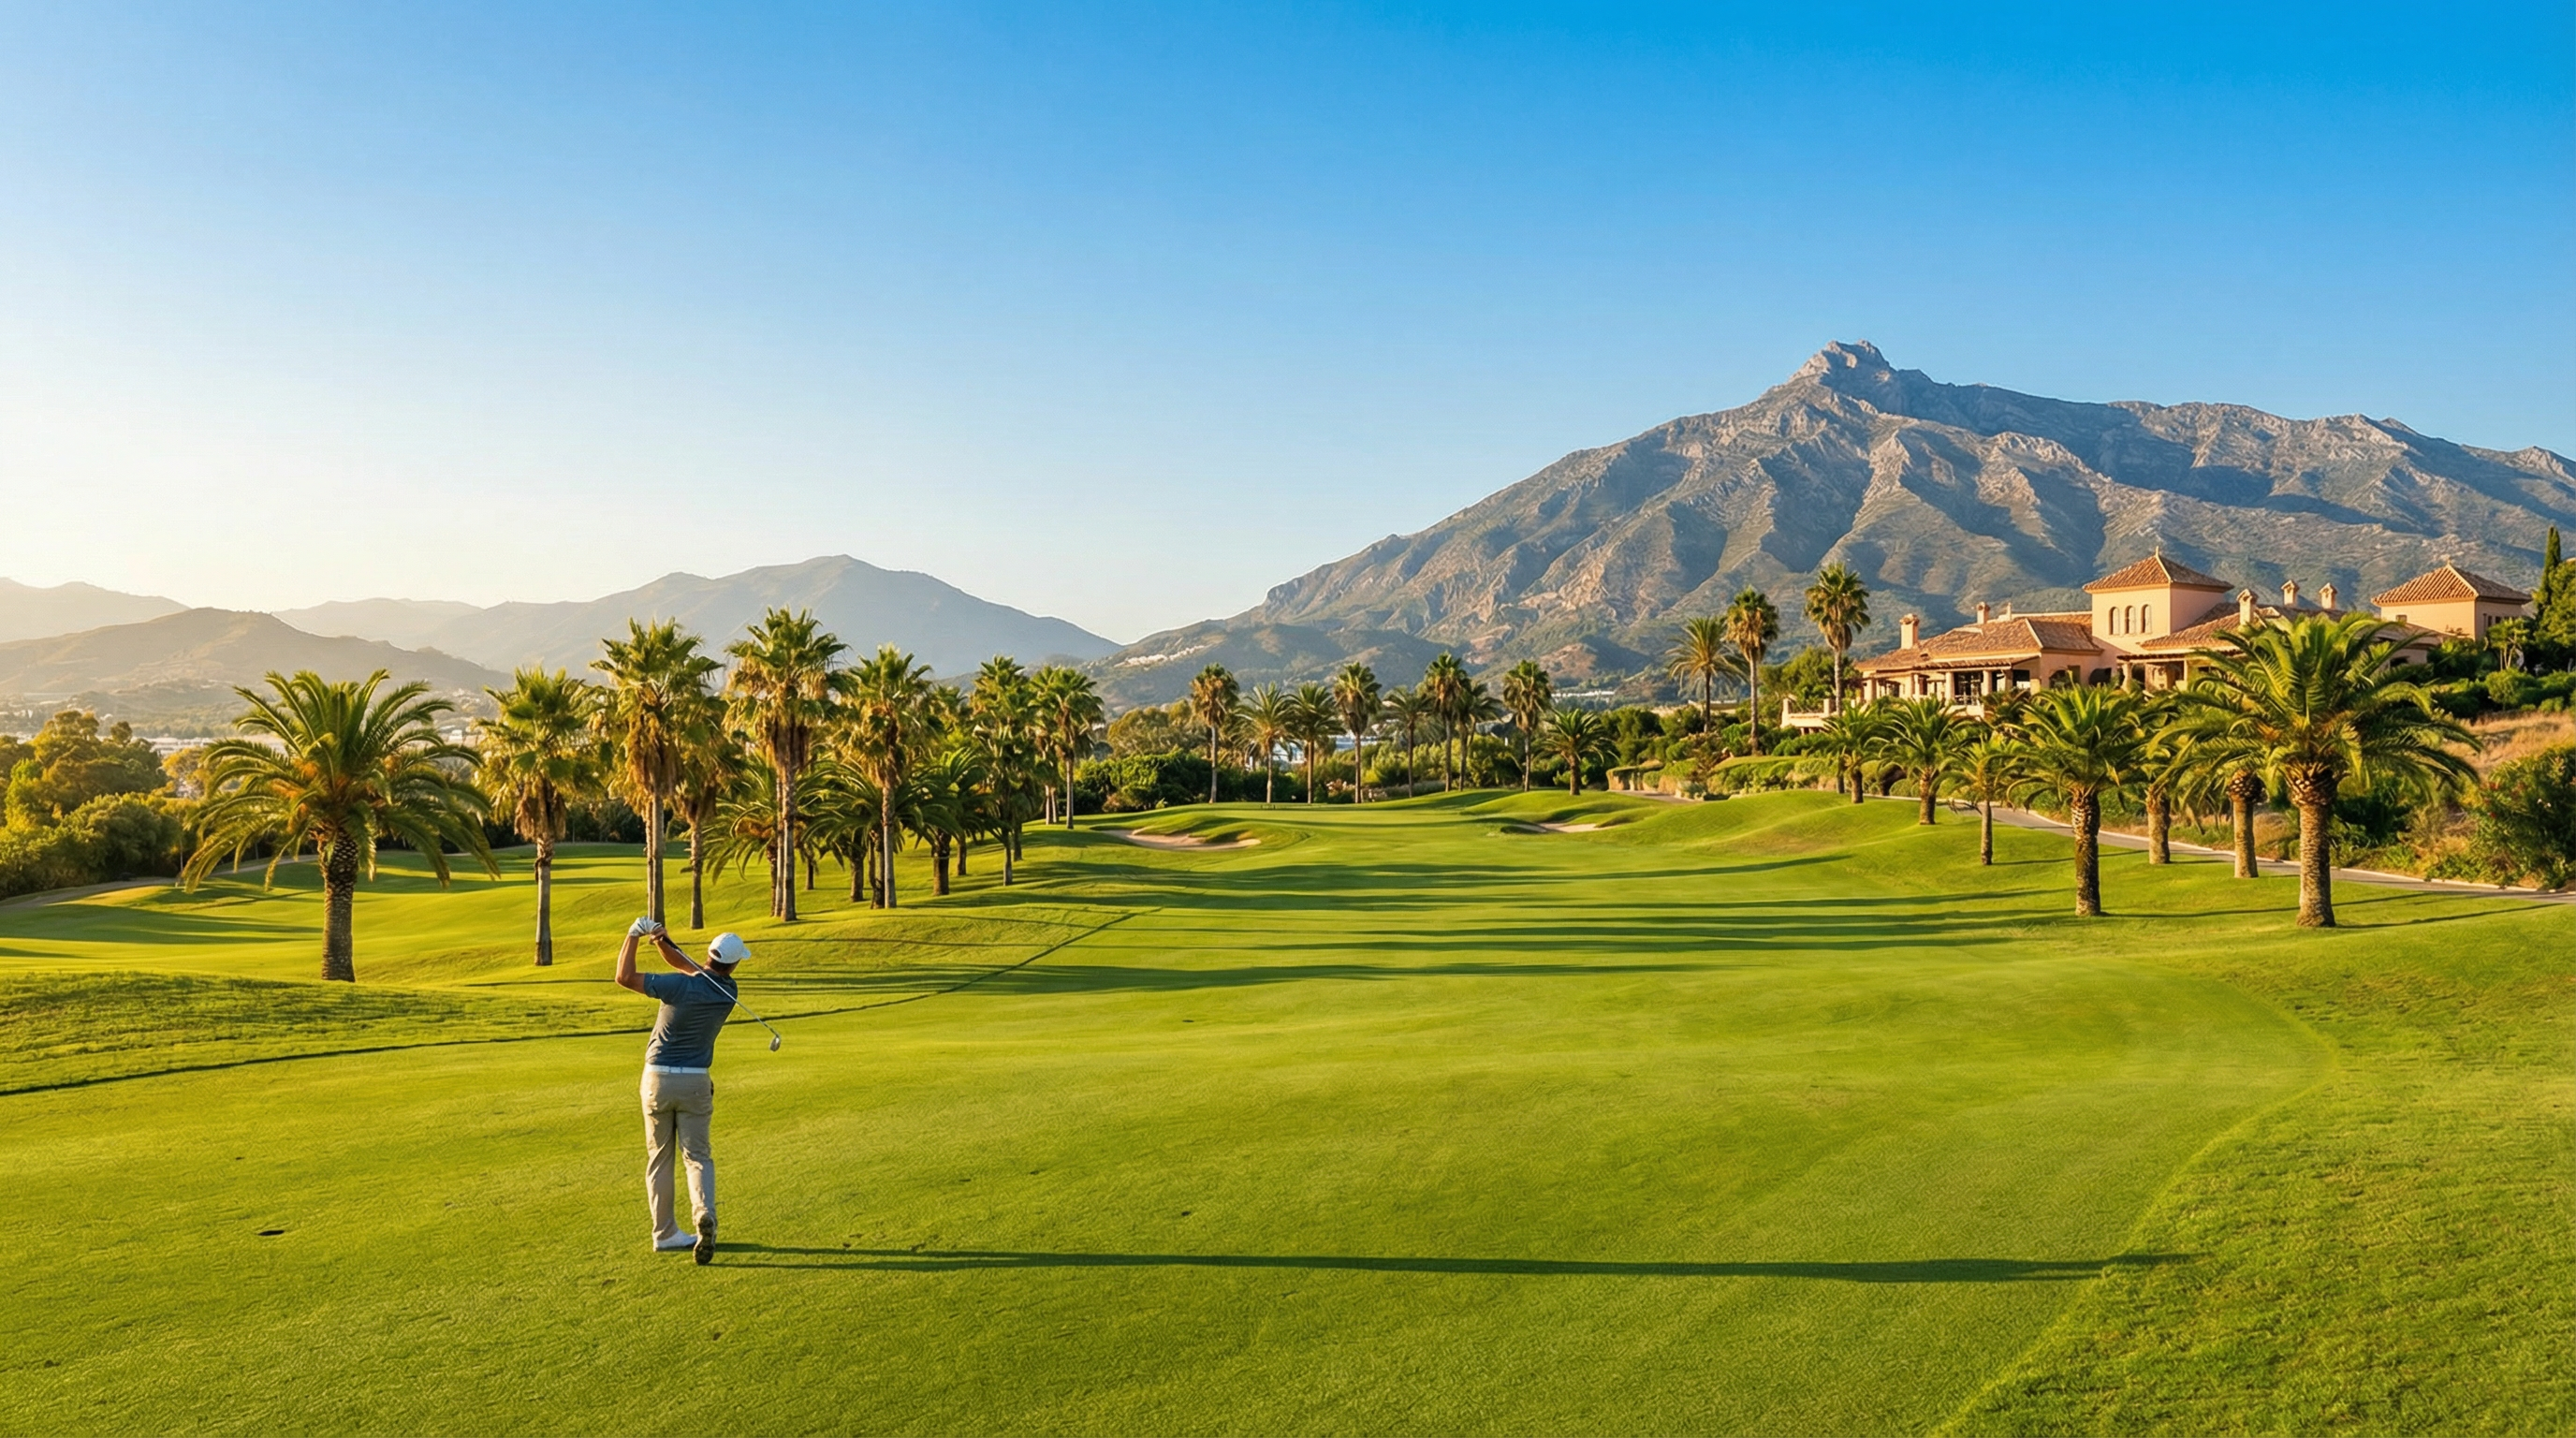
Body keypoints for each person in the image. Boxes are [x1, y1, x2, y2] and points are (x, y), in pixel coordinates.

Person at [615, 918, 749, 1264]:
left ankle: (665, 1234)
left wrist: (633, 936)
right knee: (698, 1157)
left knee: (660, 1159)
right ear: (732, 964)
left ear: (709, 955)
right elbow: (691, 968)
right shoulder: (728, 992)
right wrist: (664, 942)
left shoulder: (676, 986)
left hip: (657, 1079)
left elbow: (624, 978)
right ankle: (704, 1213)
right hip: (696, 1081)